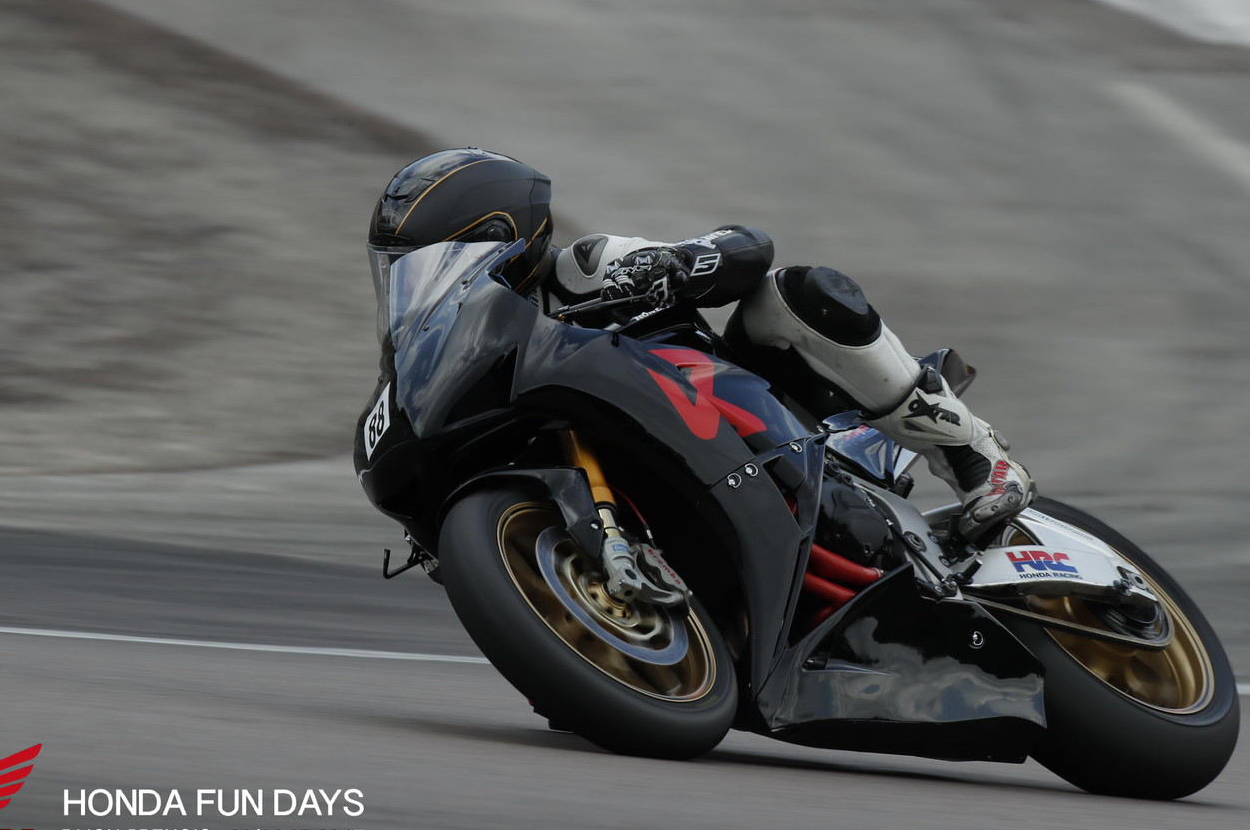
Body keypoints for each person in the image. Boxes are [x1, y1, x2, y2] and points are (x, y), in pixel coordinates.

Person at [361, 148, 1034, 545]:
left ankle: (973, 454)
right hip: (646, 484)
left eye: (443, 261)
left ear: (505, 233)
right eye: (408, 274)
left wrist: (680, 264)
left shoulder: (584, 269)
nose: (430, 285)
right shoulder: (461, 358)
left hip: (742, 417)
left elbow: (746, 247)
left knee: (793, 292)